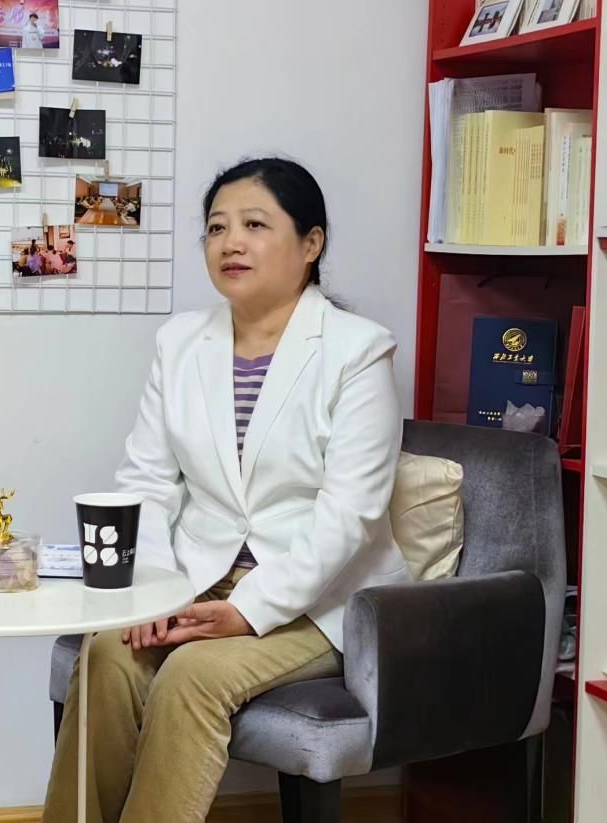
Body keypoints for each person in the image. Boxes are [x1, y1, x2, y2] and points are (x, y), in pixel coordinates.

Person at [42, 157, 408, 823]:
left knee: (191, 675)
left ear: (311, 244)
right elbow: (147, 480)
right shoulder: (181, 341)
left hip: (321, 599)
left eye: (255, 225)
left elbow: (349, 516)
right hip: (196, 581)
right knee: (106, 658)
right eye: (216, 227)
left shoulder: (358, 351)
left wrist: (248, 608)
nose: (230, 242)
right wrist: (153, 593)